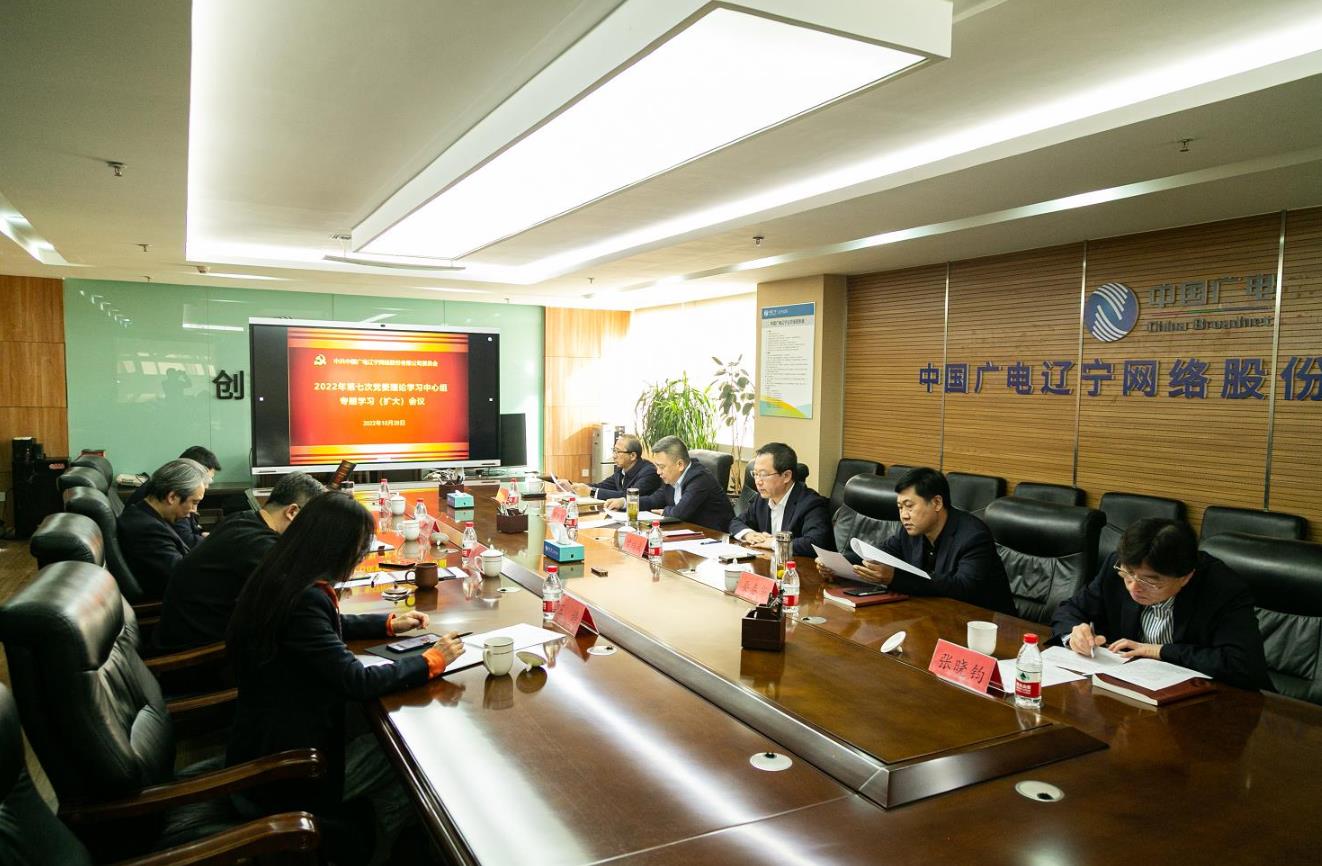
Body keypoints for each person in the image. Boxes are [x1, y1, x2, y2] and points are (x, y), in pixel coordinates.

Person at [226, 491, 465, 865]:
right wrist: (430, 661)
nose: (360, 557)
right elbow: (357, 681)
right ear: (335, 548)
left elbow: (319, 627)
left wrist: (386, 623)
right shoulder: (305, 600)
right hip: (292, 766)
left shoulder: (281, 574)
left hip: (263, 735)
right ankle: (376, 853)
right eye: (358, 549)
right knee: (414, 759)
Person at [1052, 518, 1270, 690]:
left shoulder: (1222, 589)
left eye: (1149, 581)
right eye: (1128, 575)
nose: (1133, 587)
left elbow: (1242, 665)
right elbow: (1070, 610)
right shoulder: (1118, 565)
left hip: (1205, 704)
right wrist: (1075, 635)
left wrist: (1160, 651)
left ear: (1185, 577)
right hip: (1132, 688)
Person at [154, 472, 325, 651]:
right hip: (199, 653)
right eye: (312, 523)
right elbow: (303, 599)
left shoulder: (243, 519)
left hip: (181, 633)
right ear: (292, 512)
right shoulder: (258, 545)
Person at [817, 466, 1016, 614]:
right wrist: (836, 563)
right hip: (935, 615)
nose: (904, 515)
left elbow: (962, 587)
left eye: (909, 506)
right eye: (900, 507)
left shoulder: (973, 536)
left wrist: (895, 578)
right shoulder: (911, 531)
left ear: (936, 503)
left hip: (984, 624)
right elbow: (877, 555)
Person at [116, 458, 211, 598]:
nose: (194, 510)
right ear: (172, 497)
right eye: (194, 502)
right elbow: (185, 578)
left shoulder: (144, 515)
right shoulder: (147, 530)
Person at [603, 436, 734, 532]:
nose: (658, 472)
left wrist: (665, 511)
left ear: (680, 464)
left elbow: (679, 513)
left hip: (715, 538)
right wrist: (624, 502)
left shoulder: (699, 479)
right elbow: (653, 500)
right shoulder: (672, 478)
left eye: (662, 467)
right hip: (688, 533)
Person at [729, 442, 833, 556]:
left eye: (763, 474)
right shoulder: (762, 499)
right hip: (768, 563)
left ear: (786, 476)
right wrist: (748, 534)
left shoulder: (811, 503)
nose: (758, 481)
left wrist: (774, 543)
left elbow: (815, 543)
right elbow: (736, 522)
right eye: (755, 474)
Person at [126, 445, 222, 548]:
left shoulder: (160, 495)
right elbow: (187, 540)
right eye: (207, 480)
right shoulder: (168, 506)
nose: (207, 486)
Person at [573, 434, 661, 500]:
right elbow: (602, 486)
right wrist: (574, 486)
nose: (614, 456)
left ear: (633, 456)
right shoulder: (621, 471)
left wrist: (591, 492)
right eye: (614, 451)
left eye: (618, 452)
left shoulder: (649, 472)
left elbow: (629, 496)